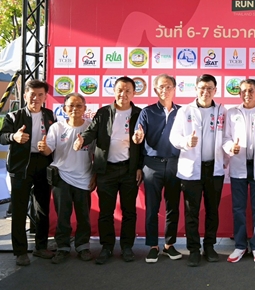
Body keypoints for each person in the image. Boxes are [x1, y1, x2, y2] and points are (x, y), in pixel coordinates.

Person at [73, 76, 142, 264]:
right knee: (106, 212)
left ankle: (127, 247)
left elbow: (144, 145)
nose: (123, 94)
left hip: (129, 170)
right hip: (106, 170)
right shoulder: (103, 112)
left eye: (127, 90)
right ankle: (107, 247)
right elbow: (91, 132)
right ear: (114, 91)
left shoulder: (139, 114)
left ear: (134, 93)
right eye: (120, 90)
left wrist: (139, 167)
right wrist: (82, 140)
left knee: (129, 212)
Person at [169, 74, 228, 267]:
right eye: (202, 88)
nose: (206, 91)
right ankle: (193, 249)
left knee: (212, 211)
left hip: (214, 169)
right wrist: (186, 142)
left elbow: (227, 137)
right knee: (191, 212)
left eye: (210, 88)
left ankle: (209, 246)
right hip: (191, 170)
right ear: (196, 89)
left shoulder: (222, 111)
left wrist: (230, 149)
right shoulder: (184, 111)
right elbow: (174, 137)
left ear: (215, 90)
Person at [0, 80, 55, 266]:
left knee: (42, 208)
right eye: (32, 94)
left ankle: (41, 247)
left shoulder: (50, 115)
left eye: (40, 95)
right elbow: (2, 137)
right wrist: (14, 136)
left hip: (43, 164)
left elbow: (55, 140)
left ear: (45, 97)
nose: (36, 98)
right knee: (19, 209)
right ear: (25, 96)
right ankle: (21, 252)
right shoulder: (14, 116)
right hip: (21, 166)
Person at [222, 79, 255, 264]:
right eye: (244, 91)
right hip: (239, 166)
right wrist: (231, 147)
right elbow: (225, 138)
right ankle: (240, 245)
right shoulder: (232, 113)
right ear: (239, 93)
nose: (247, 94)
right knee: (238, 209)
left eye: (251, 90)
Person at [133, 74, 182, 264]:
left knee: (172, 206)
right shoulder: (147, 112)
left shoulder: (182, 112)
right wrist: (137, 138)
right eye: (161, 87)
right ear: (155, 90)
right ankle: (153, 246)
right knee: (152, 208)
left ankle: (169, 244)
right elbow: (138, 136)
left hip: (175, 163)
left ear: (174, 89)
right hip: (152, 164)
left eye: (168, 86)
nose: (165, 90)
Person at [41, 93, 94, 264]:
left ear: (85, 108)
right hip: (61, 177)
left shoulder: (91, 127)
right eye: (71, 105)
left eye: (79, 105)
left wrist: (95, 175)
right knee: (62, 216)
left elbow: (98, 154)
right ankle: (62, 248)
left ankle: (83, 247)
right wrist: (43, 147)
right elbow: (48, 150)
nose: (75, 109)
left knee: (83, 216)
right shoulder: (57, 127)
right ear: (64, 109)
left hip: (84, 178)